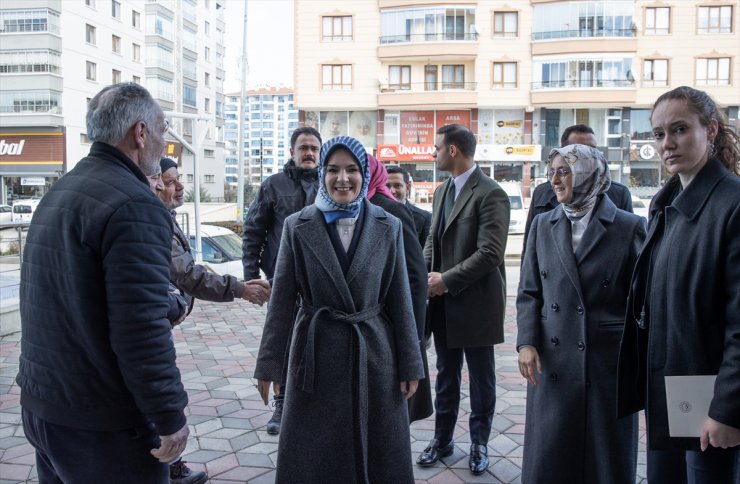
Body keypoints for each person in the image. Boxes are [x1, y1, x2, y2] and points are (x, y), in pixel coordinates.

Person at [17, 83, 189, 483]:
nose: (165, 144)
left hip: (46, 409)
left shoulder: (61, 191)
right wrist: (169, 414)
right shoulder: (135, 204)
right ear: (140, 133)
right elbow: (140, 327)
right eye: (162, 131)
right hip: (102, 425)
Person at [254, 136, 424, 483]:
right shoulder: (297, 226)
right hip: (315, 356)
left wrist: (410, 361)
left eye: (351, 170)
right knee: (314, 459)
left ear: (364, 173)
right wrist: (269, 364)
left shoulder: (387, 224)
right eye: (332, 170)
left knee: (378, 457)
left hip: (374, 355)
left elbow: (400, 299)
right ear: (322, 174)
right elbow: (283, 302)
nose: (342, 179)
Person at [617, 86, 740, 484]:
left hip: (711, 404)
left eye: (680, 129)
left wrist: (728, 410)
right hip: (671, 393)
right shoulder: (666, 202)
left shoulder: (732, 204)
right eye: (658, 133)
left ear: (711, 130)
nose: (667, 143)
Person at [517, 144, 645, 483]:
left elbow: (642, 299)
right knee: (551, 457)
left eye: (564, 171)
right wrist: (526, 342)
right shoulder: (544, 223)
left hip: (605, 362)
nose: (555, 180)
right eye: (552, 172)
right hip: (553, 359)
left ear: (589, 173)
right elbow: (529, 291)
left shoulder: (629, 226)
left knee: (603, 460)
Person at [157, 158, 269, 484]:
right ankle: (166, 464)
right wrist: (240, 289)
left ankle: (168, 463)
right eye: (170, 181)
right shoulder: (151, 221)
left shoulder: (165, 217)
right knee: (155, 395)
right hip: (147, 328)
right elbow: (186, 274)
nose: (179, 187)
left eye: (180, 180)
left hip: (161, 323)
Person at [418, 124, 510, 476]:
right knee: (446, 376)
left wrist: (446, 280)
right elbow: (432, 239)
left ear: (453, 150)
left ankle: (479, 444)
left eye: (437, 148)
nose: (434, 154)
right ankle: (442, 440)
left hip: (477, 305)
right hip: (442, 302)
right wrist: (425, 277)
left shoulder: (491, 193)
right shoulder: (442, 191)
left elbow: (491, 253)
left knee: (482, 380)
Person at [242, 126, 322, 435]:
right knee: (283, 344)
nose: (309, 153)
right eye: (303, 147)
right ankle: (281, 405)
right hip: (281, 282)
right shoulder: (272, 186)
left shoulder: (328, 186)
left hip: (320, 285)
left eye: (314, 148)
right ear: (292, 151)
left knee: (319, 344)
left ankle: (315, 406)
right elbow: (253, 232)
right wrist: (251, 278)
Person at [366, 155, 433, 422]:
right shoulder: (337, 209)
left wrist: (412, 340)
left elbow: (415, 278)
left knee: (391, 414)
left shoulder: (391, 210)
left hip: (390, 328)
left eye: (354, 169)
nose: (344, 178)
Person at [522, 124, 633, 259]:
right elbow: (530, 255)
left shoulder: (618, 194)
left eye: (592, 150)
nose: (588, 157)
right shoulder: (543, 193)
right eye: (579, 151)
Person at [387, 165, 432, 248]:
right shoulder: (374, 216)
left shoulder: (424, 219)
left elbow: (425, 256)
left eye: (397, 186)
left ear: (407, 188)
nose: (392, 191)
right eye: (387, 186)